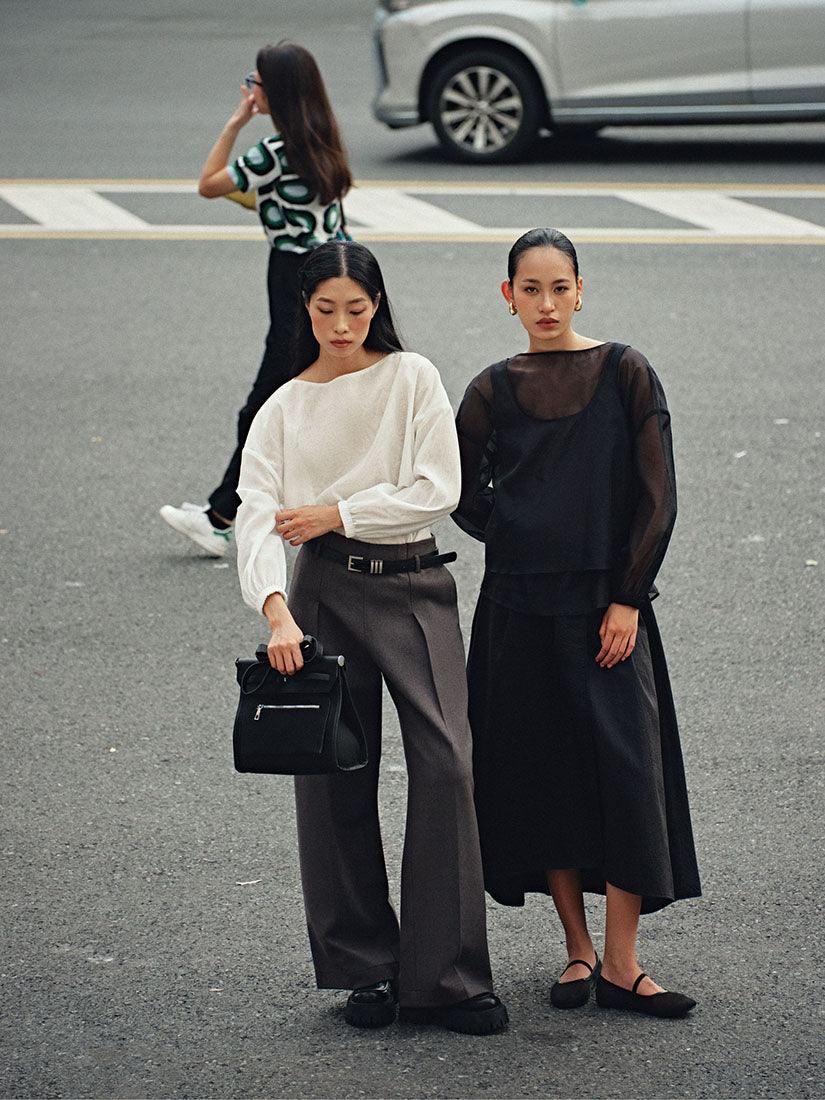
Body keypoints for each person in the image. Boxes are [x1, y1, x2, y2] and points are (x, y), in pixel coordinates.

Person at [234, 240, 508, 1035]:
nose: (343, 324)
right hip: (321, 592)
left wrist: (336, 510)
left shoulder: (411, 377)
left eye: (357, 308)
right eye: (326, 310)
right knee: (331, 777)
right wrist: (275, 610)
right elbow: (256, 513)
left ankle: (448, 977)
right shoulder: (283, 405)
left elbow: (438, 488)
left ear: (377, 305)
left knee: (447, 763)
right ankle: (365, 968)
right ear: (305, 310)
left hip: (416, 584)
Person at [453, 228, 701, 1019]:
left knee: (627, 773)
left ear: (581, 289)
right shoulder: (490, 388)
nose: (547, 304)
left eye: (559, 287)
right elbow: (461, 494)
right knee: (544, 773)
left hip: (607, 606)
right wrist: (527, 540)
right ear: (508, 296)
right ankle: (576, 951)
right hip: (518, 609)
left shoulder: (626, 370)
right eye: (530, 289)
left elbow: (657, 496)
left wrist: (627, 595)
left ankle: (624, 962)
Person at [161, 41, 352, 557]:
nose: (250, 88)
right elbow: (297, 207)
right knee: (313, 392)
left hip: (293, 277)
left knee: (266, 402)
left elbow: (208, 184)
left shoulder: (275, 152)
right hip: (335, 268)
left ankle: (222, 516)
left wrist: (234, 123)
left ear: (276, 92)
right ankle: (283, 505)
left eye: (256, 82)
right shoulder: (323, 140)